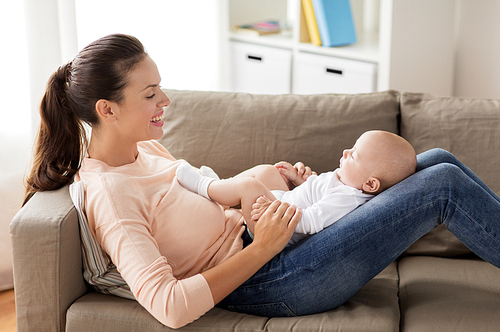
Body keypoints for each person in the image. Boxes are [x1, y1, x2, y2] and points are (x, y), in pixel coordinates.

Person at [24, 34, 500, 329]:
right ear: (106, 110)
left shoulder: (144, 150)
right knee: (442, 186)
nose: (165, 99)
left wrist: (272, 186)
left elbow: (208, 190)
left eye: (160, 87)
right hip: (274, 277)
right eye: (150, 94)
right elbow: (168, 307)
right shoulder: (111, 193)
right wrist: (264, 247)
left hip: (271, 242)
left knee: (435, 159)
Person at [175, 130, 417, 244]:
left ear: (371, 184)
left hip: (273, 230)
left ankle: (203, 185)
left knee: (249, 187)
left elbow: (312, 220)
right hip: (283, 204)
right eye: (351, 146)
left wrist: (274, 208)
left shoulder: (347, 198)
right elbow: (317, 192)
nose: (346, 152)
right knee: (268, 172)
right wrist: (301, 181)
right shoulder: (347, 182)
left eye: (354, 155)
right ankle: (223, 190)